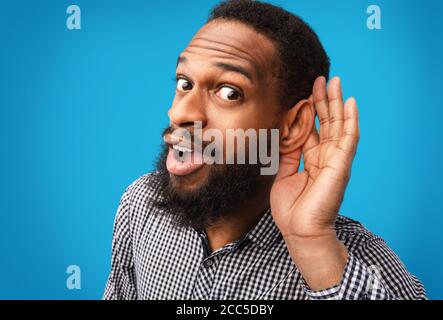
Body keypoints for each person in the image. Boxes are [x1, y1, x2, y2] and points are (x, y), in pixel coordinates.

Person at [103, 0, 426, 300]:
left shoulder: (356, 260)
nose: (180, 114)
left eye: (229, 92)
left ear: (293, 126)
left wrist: (313, 246)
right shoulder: (141, 204)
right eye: (184, 83)